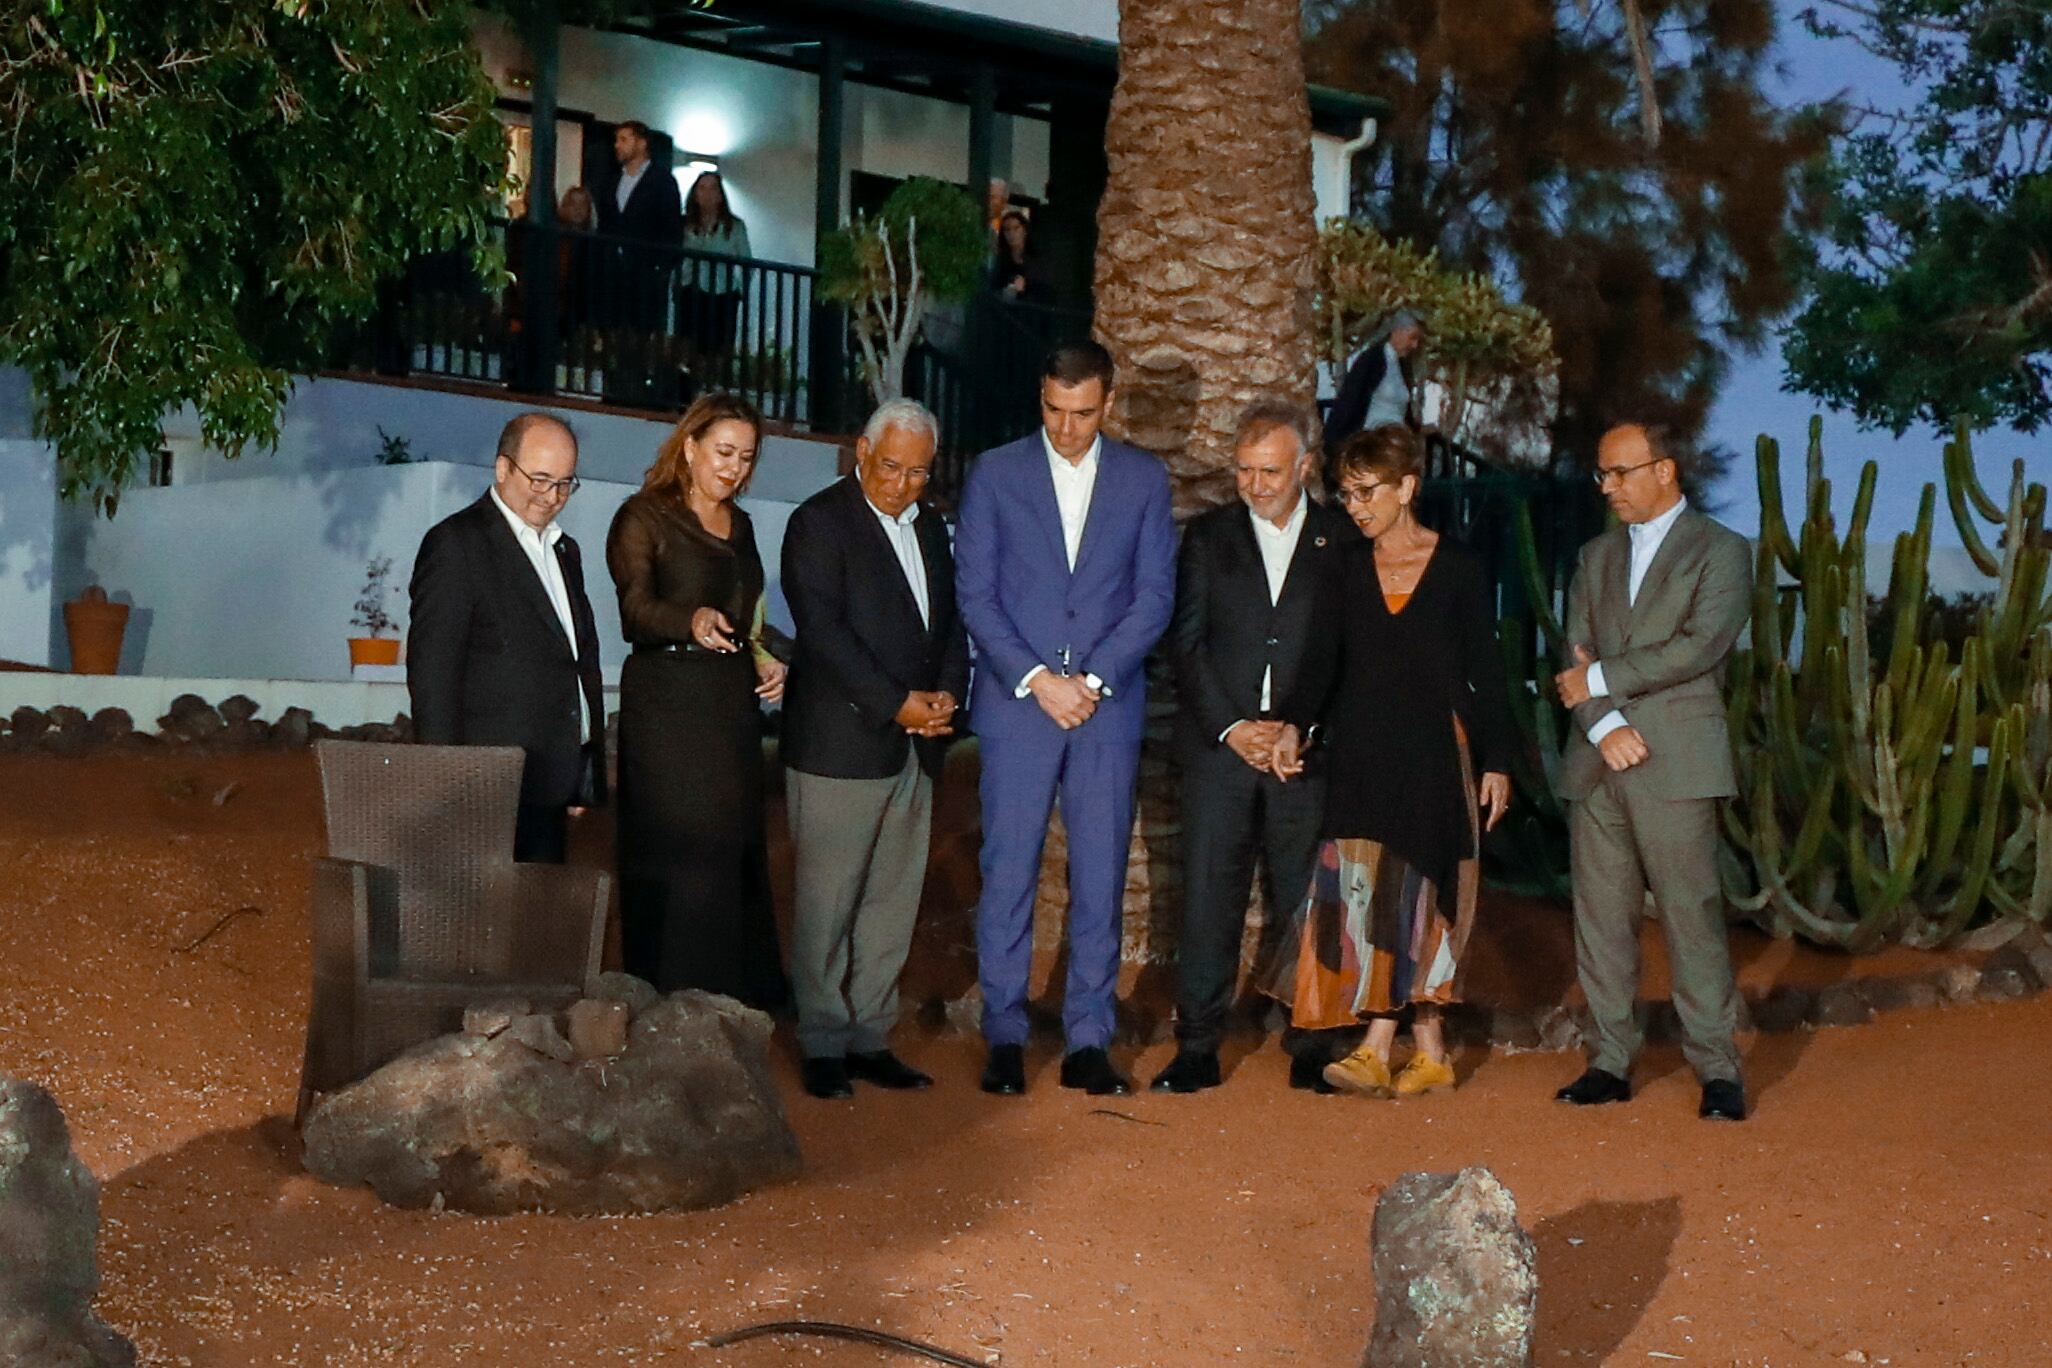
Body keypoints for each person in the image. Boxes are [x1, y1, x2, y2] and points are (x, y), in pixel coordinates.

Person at [1261, 424, 1514, 1097]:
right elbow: (1320, 662)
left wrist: (1499, 760)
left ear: (1406, 488)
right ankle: (1420, 1048)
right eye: (1346, 494)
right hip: (1364, 755)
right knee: (1365, 893)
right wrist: (1294, 725)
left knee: (1425, 892)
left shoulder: (1458, 568)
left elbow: (1485, 670)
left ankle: (1385, 1046)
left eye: (1367, 492)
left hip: (1436, 753)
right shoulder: (1343, 568)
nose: (1355, 506)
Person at [954, 342, 1177, 1098]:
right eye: (1054, 410)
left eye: (1083, 414)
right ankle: (1006, 1035)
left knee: (1101, 873)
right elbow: (976, 596)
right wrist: (1040, 680)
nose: (1067, 428)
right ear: (1040, 398)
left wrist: (1090, 679)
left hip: (1105, 710)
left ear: (1108, 404)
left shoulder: (1145, 480)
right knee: (1008, 871)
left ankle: (1089, 1039)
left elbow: (1154, 598)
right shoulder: (995, 472)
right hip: (1021, 706)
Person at [1149, 400, 1355, 1095]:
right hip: (1221, 749)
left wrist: (1304, 726)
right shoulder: (1207, 538)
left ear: (1304, 467)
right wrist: (1233, 729)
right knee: (1209, 897)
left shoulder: (1340, 539)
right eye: (1244, 470)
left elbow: (1346, 651)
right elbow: (1186, 643)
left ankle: (1314, 1043)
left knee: (1308, 899)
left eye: (1269, 471)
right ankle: (1198, 1045)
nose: (1255, 484)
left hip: (1306, 752)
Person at [1551, 423, 1754, 1122]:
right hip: (1601, 760)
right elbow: (1571, 657)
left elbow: (1700, 645)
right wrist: (1604, 725)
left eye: (1619, 473)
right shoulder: (1594, 555)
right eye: (1601, 475)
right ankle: (1609, 1061)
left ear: (1665, 470)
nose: (1606, 487)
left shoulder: (1722, 552)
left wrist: (1602, 677)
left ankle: (1717, 1069)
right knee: (1601, 921)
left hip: (1678, 761)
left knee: (1690, 916)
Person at [780, 399, 970, 1100]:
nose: (903, 485)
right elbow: (824, 635)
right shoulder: (818, 523)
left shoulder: (929, 530)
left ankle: (869, 1035)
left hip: (916, 748)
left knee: (890, 902)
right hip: (840, 746)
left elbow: (949, 624)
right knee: (827, 904)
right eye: (892, 467)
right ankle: (823, 1040)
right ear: (862, 451)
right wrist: (897, 705)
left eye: (918, 473)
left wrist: (947, 697)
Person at [605, 392, 788, 1010]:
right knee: (677, 852)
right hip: (665, 708)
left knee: (728, 850)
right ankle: (667, 1000)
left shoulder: (742, 526)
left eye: (746, 457)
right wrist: (691, 619)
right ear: (690, 446)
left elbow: (750, 616)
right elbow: (635, 611)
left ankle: (726, 1003)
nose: (734, 468)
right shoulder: (643, 517)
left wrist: (766, 658)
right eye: (724, 452)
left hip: (727, 708)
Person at [406, 413, 606, 864]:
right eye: (539, 479)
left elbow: (577, 660)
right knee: (481, 926)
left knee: (535, 926)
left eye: (564, 483)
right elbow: (433, 675)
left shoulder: (564, 550)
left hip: (550, 785)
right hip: (484, 788)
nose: (551, 496)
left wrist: (583, 772)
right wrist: (448, 784)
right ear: (502, 468)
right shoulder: (457, 544)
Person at [1322, 311, 1423, 465]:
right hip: (1374, 444)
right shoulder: (1372, 360)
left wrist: (1416, 429)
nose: (1414, 345)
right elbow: (1352, 399)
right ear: (1398, 331)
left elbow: (1402, 409)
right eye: (1412, 338)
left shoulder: (1402, 366)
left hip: (1396, 443)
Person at [680, 170, 753, 359]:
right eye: (702, 188)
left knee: (719, 349)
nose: (707, 194)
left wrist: (741, 291)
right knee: (689, 346)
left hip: (723, 292)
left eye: (713, 188)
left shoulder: (734, 226)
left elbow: (746, 260)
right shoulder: (686, 224)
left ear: (720, 195)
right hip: (692, 288)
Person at [987, 210, 1044, 304]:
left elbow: (1043, 290)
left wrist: (1025, 287)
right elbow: (993, 287)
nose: (1011, 234)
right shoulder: (1001, 260)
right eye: (1007, 229)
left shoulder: (1036, 259)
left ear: (1024, 230)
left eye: (1016, 228)